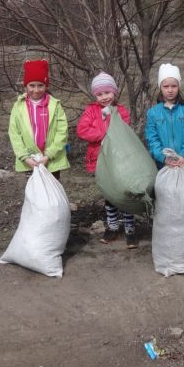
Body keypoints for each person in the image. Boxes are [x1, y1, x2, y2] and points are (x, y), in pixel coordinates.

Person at [75, 71, 138, 249]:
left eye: (107, 92)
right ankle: (112, 226)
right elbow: (82, 130)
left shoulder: (122, 111)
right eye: (99, 94)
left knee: (124, 192)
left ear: (114, 92)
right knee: (109, 195)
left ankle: (130, 228)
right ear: (95, 95)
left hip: (120, 160)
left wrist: (109, 128)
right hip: (100, 161)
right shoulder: (90, 111)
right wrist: (102, 132)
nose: (104, 97)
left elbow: (122, 131)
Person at [8, 59, 70, 178]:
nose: (36, 90)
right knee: (35, 193)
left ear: (46, 85)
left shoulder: (55, 105)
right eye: (32, 85)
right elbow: (14, 133)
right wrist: (24, 157)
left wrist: (49, 155)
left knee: (53, 193)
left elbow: (62, 131)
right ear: (25, 85)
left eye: (40, 85)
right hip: (30, 161)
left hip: (51, 160)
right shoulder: (18, 106)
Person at [145, 63, 184, 169]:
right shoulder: (153, 113)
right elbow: (152, 139)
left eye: (174, 86)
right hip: (161, 164)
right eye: (166, 86)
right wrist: (163, 158)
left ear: (179, 86)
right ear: (160, 87)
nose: (170, 90)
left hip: (183, 162)